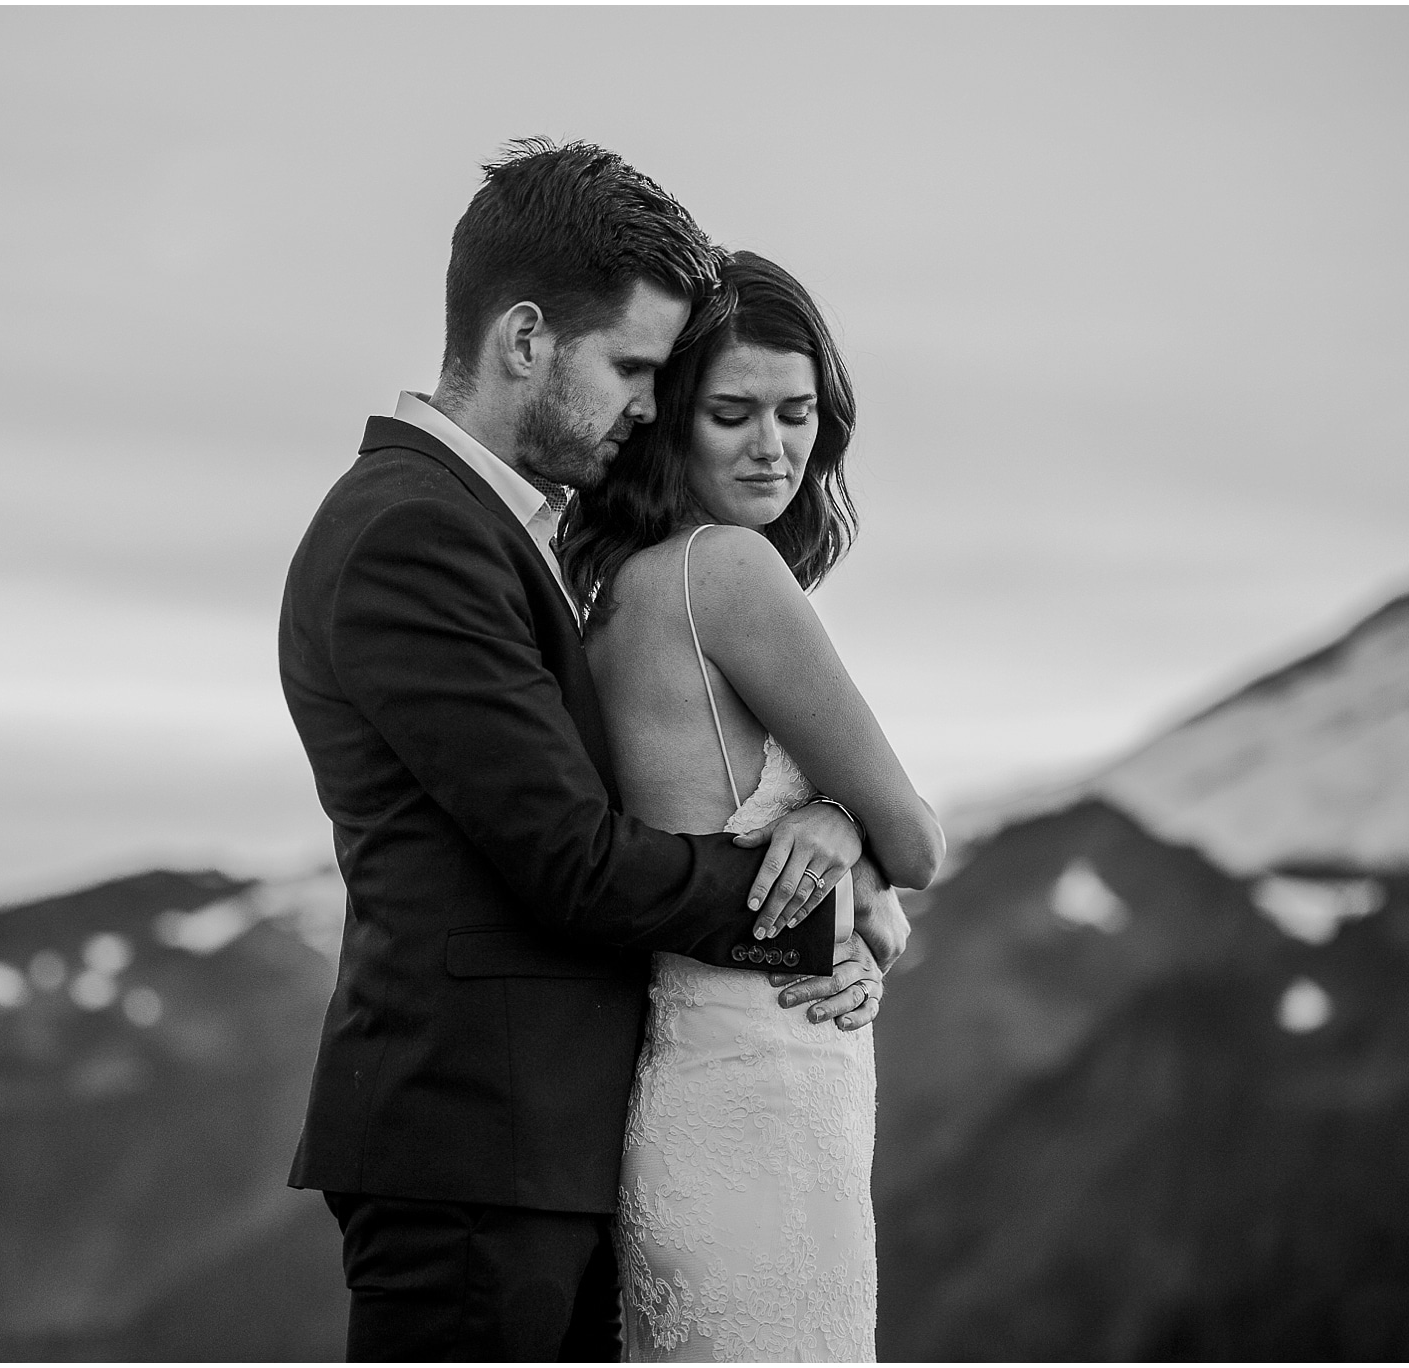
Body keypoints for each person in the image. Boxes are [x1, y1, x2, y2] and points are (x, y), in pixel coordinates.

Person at [278, 138, 907, 1361]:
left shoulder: (508, 535)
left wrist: (840, 843)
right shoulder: (411, 534)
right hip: (473, 1153)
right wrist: (818, 910)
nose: (644, 406)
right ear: (524, 340)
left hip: (551, 1148)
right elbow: (566, 857)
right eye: (630, 367)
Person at [560, 250, 947, 1360]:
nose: (772, 446)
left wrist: (834, 824)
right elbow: (915, 840)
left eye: (797, 412)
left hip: (687, 1090)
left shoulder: (618, 583)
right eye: (731, 413)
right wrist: (854, 828)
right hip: (771, 1104)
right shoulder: (725, 572)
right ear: (673, 418)